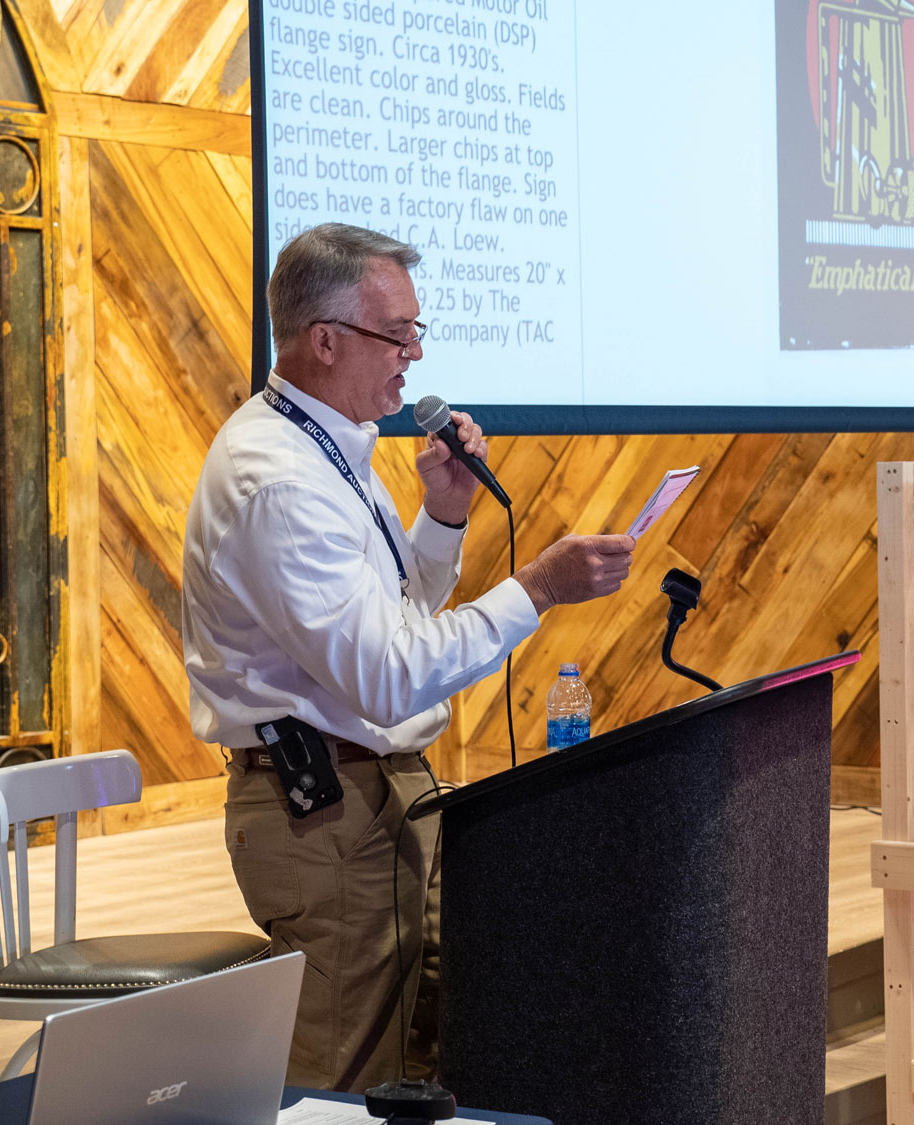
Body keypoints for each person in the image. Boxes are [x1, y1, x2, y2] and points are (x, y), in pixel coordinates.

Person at [181, 222, 633, 1092]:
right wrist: (534, 588)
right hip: (324, 812)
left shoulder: (324, 447)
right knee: (346, 1080)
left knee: (407, 1062)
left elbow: (399, 619)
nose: (414, 357)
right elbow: (387, 677)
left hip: (369, 793)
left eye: (416, 333)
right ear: (325, 340)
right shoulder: (280, 479)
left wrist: (446, 514)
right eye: (399, 334)